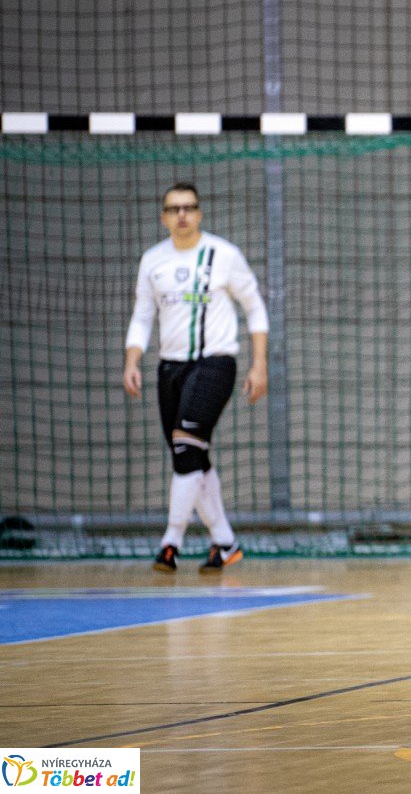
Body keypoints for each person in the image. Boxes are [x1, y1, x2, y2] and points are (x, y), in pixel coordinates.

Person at [123, 182, 268, 572]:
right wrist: (132, 361)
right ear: (164, 217)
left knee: (186, 448)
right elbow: (142, 316)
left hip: (214, 364)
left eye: (189, 208)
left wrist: (260, 365)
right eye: (174, 209)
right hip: (170, 368)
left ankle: (171, 542)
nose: (182, 215)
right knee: (191, 455)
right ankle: (225, 542)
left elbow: (255, 308)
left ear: (199, 213)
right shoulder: (153, 260)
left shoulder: (223, 255)